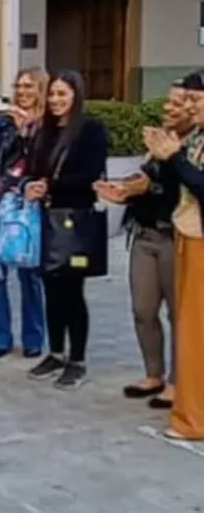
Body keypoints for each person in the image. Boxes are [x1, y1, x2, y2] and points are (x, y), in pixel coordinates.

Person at [98, 81, 192, 409]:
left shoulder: (190, 148)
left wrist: (167, 162)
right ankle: (154, 373)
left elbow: (177, 190)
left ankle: (181, 382)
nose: (169, 108)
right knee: (143, 310)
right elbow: (146, 180)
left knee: (180, 314)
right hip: (144, 234)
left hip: (174, 237)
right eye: (167, 102)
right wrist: (123, 190)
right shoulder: (157, 142)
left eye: (178, 103)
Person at [24, 70, 107, 390]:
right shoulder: (44, 131)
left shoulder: (90, 130)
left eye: (63, 94)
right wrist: (32, 186)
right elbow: (33, 168)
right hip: (47, 217)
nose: (56, 101)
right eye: (53, 95)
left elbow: (91, 173)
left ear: (76, 96)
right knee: (52, 289)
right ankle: (55, 351)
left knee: (72, 291)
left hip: (76, 218)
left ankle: (78, 359)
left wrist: (52, 184)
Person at [142, 70, 204, 441]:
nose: (190, 107)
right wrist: (164, 159)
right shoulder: (196, 138)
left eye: (197, 101)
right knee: (189, 328)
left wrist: (175, 158)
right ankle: (189, 410)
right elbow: (177, 187)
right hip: (187, 233)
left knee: (195, 332)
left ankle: (194, 418)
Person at [0, 67, 49, 358]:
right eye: (19, 86)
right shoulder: (0, 123)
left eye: (30, 86)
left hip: (29, 208)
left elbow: (40, 162)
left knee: (30, 275)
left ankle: (33, 337)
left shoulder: (47, 127)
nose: (23, 92)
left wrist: (26, 134)